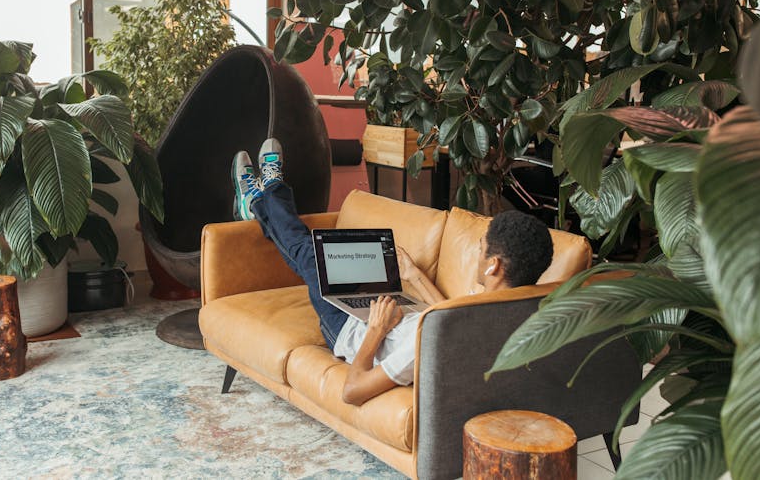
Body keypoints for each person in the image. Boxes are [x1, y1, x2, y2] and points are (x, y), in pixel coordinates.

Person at [233, 138, 554, 406]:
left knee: (309, 255)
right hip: (394, 309)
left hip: (351, 329)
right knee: (317, 255)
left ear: (494, 265)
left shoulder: (434, 341)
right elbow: (445, 313)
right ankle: (260, 200)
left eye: (481, 248)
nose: (477, 252)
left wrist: (376, 328)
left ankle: (266, 194)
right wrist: (413, 275)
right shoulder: (501, 310)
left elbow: (353, 392)